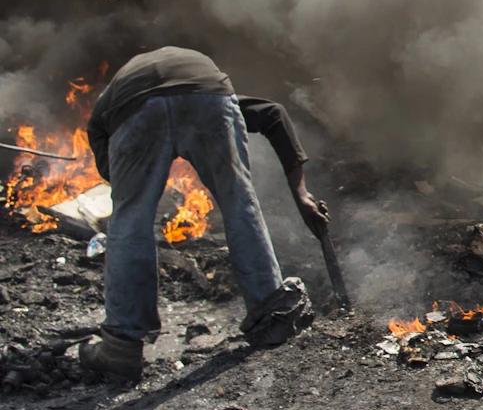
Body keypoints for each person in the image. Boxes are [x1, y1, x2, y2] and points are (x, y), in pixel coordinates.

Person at [78, 47, 326, 381]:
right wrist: (301, 195)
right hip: (209, 98)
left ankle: (120, 347)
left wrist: (130, 187)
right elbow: (274, 113)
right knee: (239, 202)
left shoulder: (109, 104)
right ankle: (273, 320)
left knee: (129, 219)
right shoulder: (207, 85)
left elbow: (112, 166)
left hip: (137, 107)